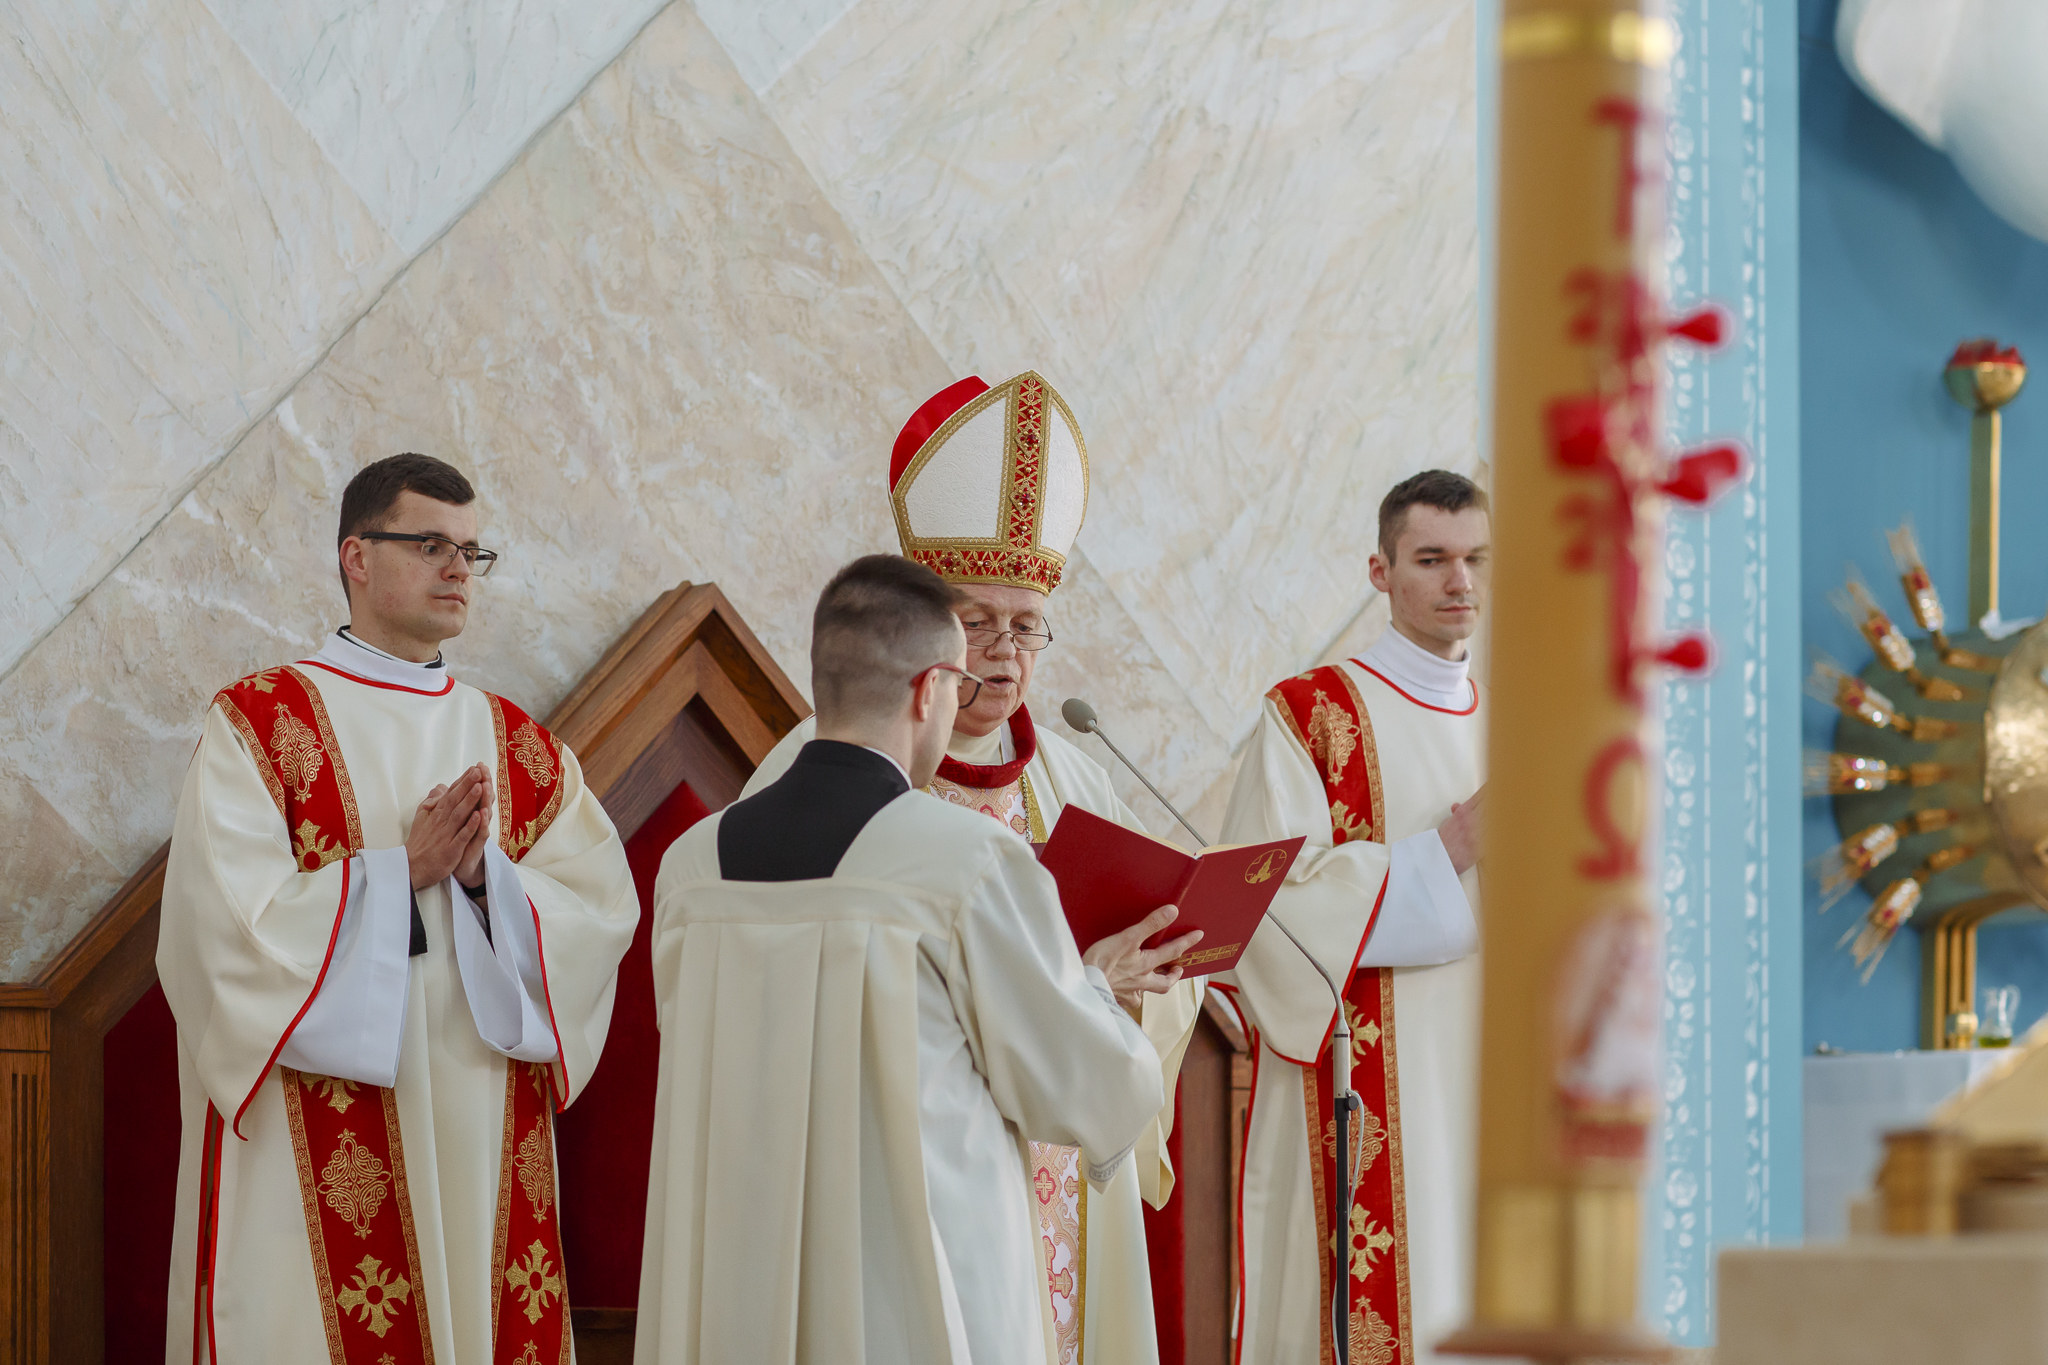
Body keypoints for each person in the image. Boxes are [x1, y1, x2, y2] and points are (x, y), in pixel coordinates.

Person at [740, 371, 1205, 1363]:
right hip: (899, 1171)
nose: (1002, 654)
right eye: (975, 622)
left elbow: (1153, 987)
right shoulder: (814, 771)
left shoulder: (1079, 778)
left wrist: (1148, 977)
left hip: (1060, 1170)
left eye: (1025, 625)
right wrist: (1083, 988)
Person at [635, 554, 1190, 1364]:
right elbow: (1096, 1084)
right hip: (908, 1288)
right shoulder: (965, 862)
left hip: (739, 1278)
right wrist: (1097, 987)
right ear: (933, 689)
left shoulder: (690, 868)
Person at [158, 453, 637, 1365]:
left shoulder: (520, 746)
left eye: (471, 551)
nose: (459, 569)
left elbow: (598, 913)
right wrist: (400, 872)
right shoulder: (263, 725)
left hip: (480, 1119)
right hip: (319, 1137)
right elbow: (224, 933)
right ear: (356, 556)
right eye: (430, 545)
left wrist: (484, 883)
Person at [1216, 470, 1489, 1365]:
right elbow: (1259, 906)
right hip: (1368, 1090)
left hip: (1490, 1086)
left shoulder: (1522, 725)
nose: (1460, 581)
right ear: (1380, 571)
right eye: (1432, 559)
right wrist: (1444, 852)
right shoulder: (1312, 715)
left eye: (1477, 558)